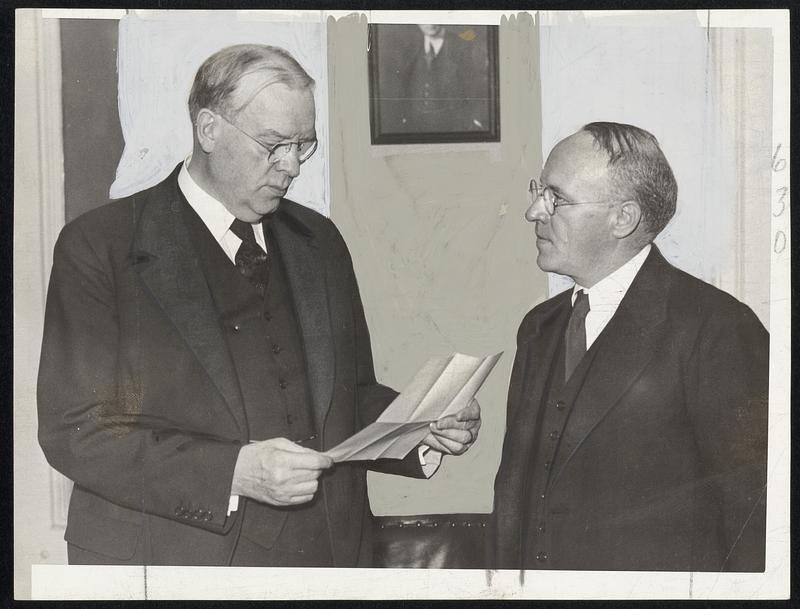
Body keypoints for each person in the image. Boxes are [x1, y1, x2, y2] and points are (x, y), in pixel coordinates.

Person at [37, 43, 480, 567]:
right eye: (272, 145)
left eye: (303, 145)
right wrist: (234, 472)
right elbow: (77, 431)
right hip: (172, 561)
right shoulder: (101, 246)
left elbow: (347, 397)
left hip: (326, 556)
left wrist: (421, 425)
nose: (291, 166)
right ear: (209, 129)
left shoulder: (318, 240)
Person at [489, 122, 768, 571]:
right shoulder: (538, 328)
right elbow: (512, 499)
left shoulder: (718, 328)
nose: (533, 212)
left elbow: (756, 521)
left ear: (624, 218)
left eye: (555, 197)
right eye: (539, 191)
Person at [393, 24, 488, 133]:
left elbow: (475, 92)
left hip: (453, 128)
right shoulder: (410, 46)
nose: (430, 23)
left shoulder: (464, 47)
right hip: (415, 127)